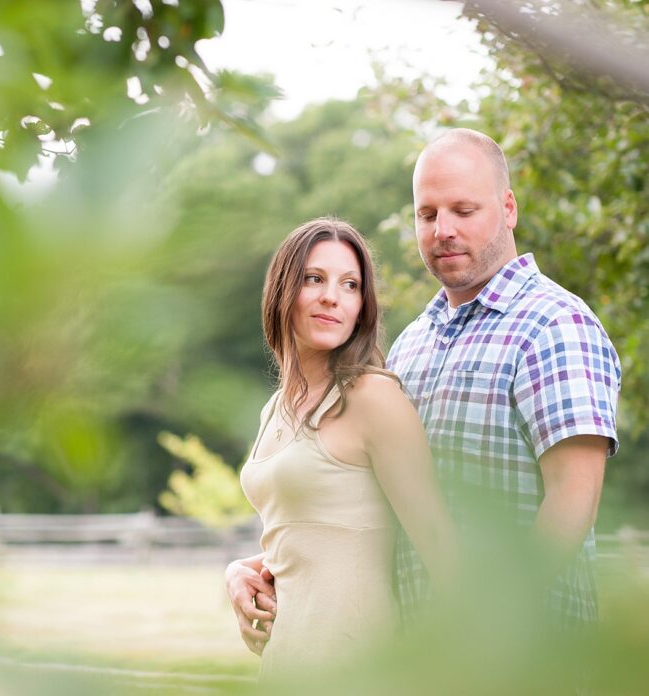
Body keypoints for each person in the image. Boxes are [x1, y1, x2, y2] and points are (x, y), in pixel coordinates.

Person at [227, 129, 622, 654]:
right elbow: (367, 506)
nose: (443, 231)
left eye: (463, 210)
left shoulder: (554, 325)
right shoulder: (414, 343)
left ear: (508, 209)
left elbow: (573, 499)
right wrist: (254, 568)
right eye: (427, 214)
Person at [231, 217, 457, 678]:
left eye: (350, 284)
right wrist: (239, 571)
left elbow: (439, 546)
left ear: (362, 306)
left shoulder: (373, 398)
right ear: (282, 291)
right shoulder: (277, 407)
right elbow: (313, 532)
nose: (332, 296)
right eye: (315, 279)